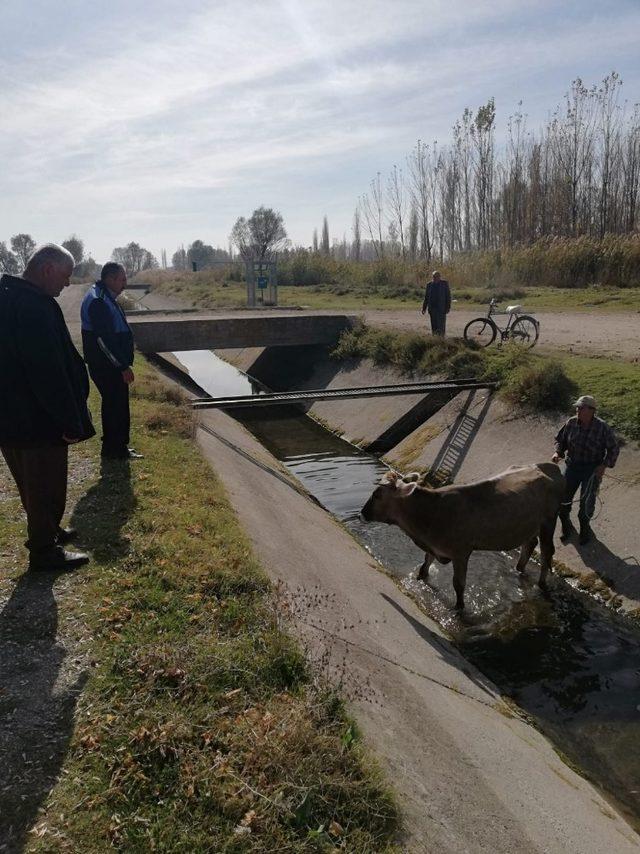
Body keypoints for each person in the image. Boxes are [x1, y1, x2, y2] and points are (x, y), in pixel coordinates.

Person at [0, 244, 94, 571]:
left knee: (30, 482)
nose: (67, 284)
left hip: (12, 417)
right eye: (66, 276)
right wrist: (69, 420)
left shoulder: (8, 295)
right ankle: (44, 552)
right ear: (48, 269)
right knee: (45, 484)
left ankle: (50, 532)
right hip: (37, 419)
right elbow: (48, 372)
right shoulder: (34, 307)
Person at [81, 263, 142, 460]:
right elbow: (103, 340)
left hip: (110, 365)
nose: (125, 283)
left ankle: (116, 447)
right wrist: (122, 366)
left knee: (116, 405)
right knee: (115, 407)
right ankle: (115, 450)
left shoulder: (104, 295)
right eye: (122, 279)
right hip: (108, 367)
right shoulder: (99, 300)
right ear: (110, 279)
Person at [552, 394, 619, 545]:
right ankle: (566, 525)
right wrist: (558, 452)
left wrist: (603, 466)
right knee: (562, 500)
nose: (577, 409)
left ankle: (584, 528)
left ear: (591, 410)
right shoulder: (571, 423)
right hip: (572, 466)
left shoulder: (602, 427)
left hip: (592, 469)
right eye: (577, 407)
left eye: (581, 407)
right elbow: (560, 440)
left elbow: (614, 449)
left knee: (587, 503)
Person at [421, 270, 451, 336]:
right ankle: (435, 339)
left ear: (440, 277)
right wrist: (424, 308)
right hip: (432, 308)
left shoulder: (444, 284)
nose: (435, 278)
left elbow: (448, 296)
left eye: (437, 276)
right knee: (434, 325)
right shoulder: (429, 285)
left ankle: (441, 339)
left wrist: (448, 307)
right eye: (434, 277)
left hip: (441, 309)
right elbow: (426, 297)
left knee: (441, 326)